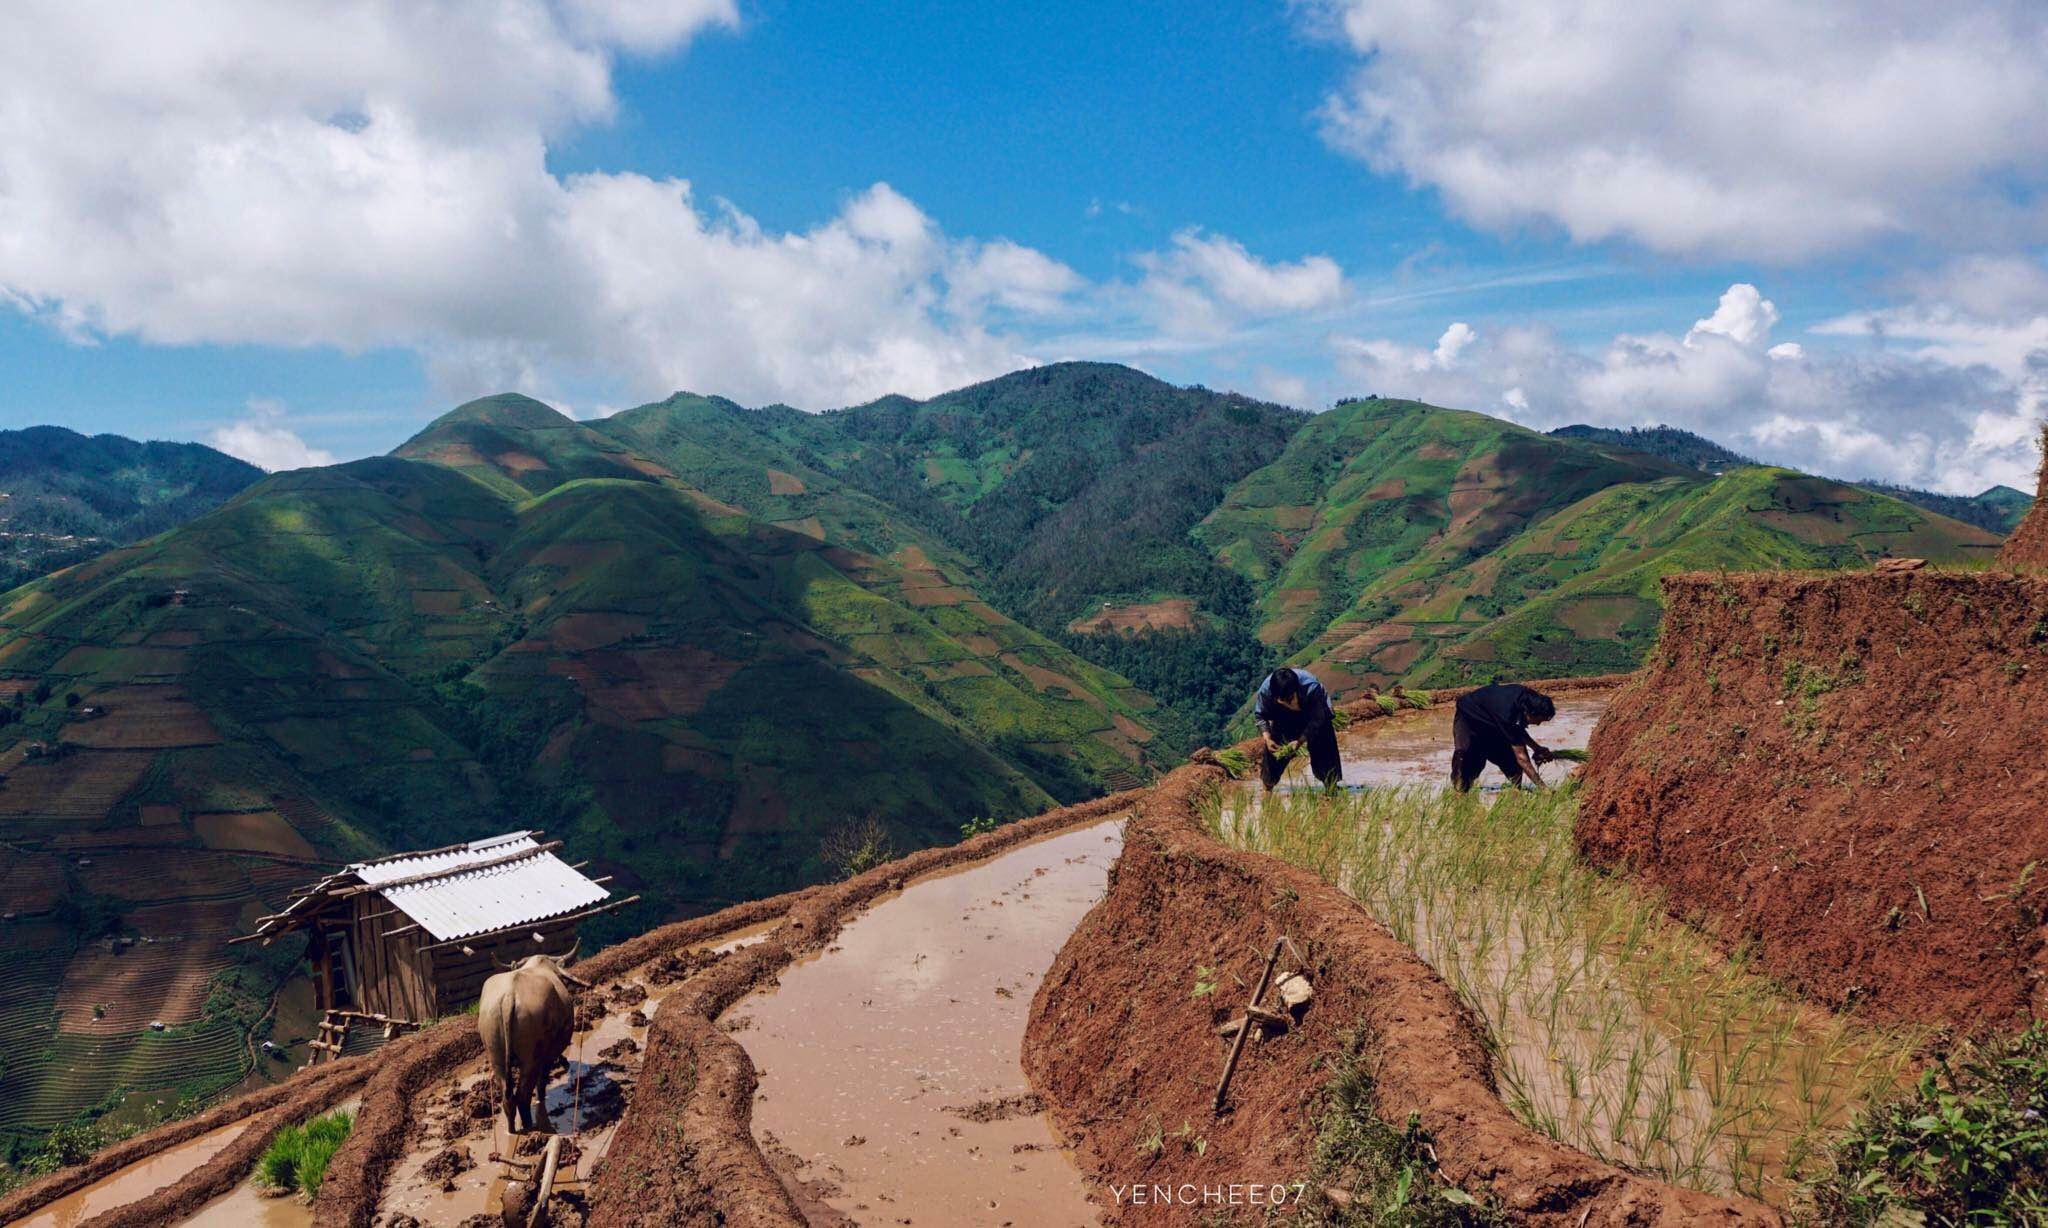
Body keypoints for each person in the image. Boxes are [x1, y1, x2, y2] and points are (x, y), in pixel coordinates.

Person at [1450, 682, 1557, 791]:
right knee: (1465, 758)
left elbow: (1517, 729)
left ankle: (1516, 791)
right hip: (1468, 716)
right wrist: (1544, 789)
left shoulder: (1527, 699)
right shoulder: (1507, 714)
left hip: (1492, 719)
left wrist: (1536, 748)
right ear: (1530, 713)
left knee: (1511, 762)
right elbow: (1522, 758)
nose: (1538, 724)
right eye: (1538, 720)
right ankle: (1459, 793)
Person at [1253, 666, 1342, 790]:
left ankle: (1331, 787)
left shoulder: (1311, 687)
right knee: (1275, 752)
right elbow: (1260, 716)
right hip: (1284, 717)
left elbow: (1318, 719)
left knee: (1324, 748)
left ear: (1297, 690)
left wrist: (1300, 741)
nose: (1289, 703)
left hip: (1313, 712)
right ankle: (1267, 789)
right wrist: (1267, 739)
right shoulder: (1266, 691)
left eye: (1290, 699)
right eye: (1283, 700)